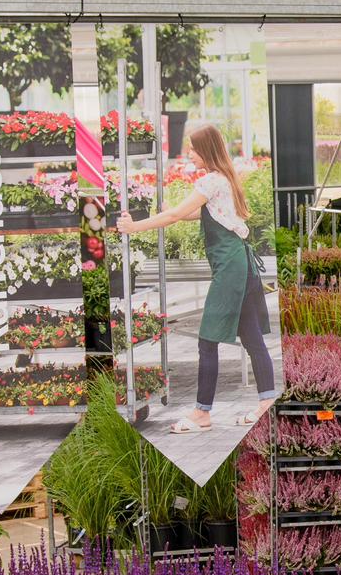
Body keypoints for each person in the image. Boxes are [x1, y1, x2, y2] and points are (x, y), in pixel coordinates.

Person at [118, 124, 276, 433]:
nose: (189, 153)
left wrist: (134, 227)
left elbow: (176, 216)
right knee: (252, 337)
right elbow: (197, 213)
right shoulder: (225, 178)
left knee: (207, 341)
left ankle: (202, 413)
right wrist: (172, 210)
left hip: (230, 269)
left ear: (206, 150)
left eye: (192, 148)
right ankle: (267, 402)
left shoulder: (210, 180)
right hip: (241, 265)